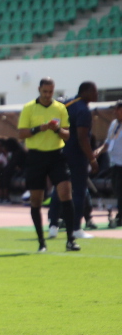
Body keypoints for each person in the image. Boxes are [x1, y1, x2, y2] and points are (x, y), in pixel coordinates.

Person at [18, 77, 79, 253]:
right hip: (36, 157)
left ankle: (70, 240)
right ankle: (41, 242)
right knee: (36, 200)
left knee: (66, 192)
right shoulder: (29, 108)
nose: (47, 95)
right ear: (39, 90)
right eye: (44, 91)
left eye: (50, 92)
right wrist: (38, 128)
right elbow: (21, 133)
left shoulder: (60, 108)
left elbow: (67, 135)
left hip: (56, 156)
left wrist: (57, 129)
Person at [60, 82, 99, 239]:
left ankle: (54, 225)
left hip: (62, 151)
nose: (96, 94)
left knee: (59, 191)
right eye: (94, 91)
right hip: (77, 155)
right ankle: (76, 228)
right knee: (79, 192)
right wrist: (92, 159)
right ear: (86, 92)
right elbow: (82, 138)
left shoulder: (68, 104)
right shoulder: (83, 109)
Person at [94, 100, 122, 227]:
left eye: (118, 109)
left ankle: (120, 216)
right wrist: (99, 151)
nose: (115, 112)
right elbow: (108, 142)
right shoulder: (114, 124)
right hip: (115, 163)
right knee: (117, 190)